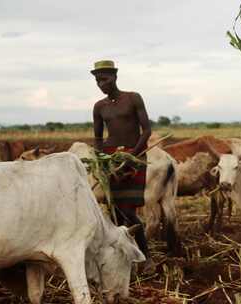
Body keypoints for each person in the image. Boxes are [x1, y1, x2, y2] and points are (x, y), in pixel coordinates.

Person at [91, 60, 155, 273]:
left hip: (134, 158)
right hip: (111, 159)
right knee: (114, 212)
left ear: (115, 77)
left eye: (105, 79)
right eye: (98, 80)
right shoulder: (99, 107)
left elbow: (146, 130)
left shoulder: (133, 98)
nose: (101, 83)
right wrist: (102, 158)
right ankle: (125, 257)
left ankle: (146, 258)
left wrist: (131, 155)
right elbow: (98, 138)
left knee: (129, 210)